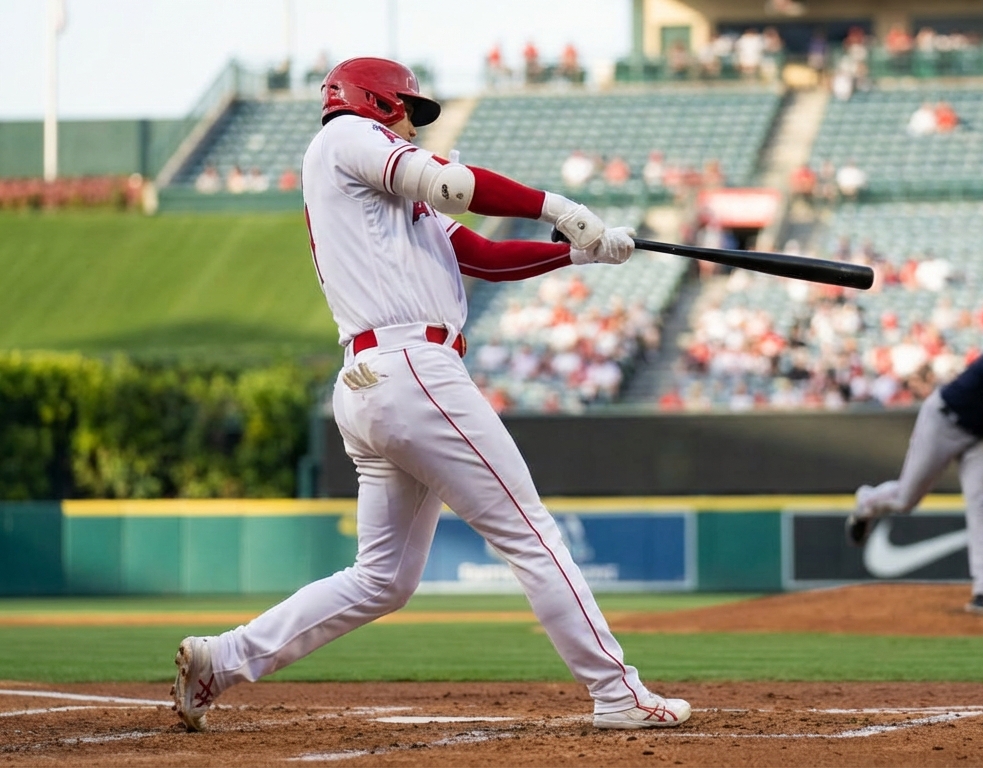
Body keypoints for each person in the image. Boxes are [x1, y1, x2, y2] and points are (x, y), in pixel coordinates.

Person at [170, 57, 689, 733]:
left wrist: (578, 253)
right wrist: (558, 207)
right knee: (530, 531)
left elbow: (479, 255)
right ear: (379, 101)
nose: (414, 122)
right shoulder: (345, 139)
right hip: (411, 366)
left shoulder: (383, 198)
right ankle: (618, 693)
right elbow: (453, 185)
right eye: (409, 107)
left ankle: (223, 660)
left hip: (377, 377)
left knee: (383, 579)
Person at [846, 300, 983, 615]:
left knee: (981, 504)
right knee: (906, 499)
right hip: (944, 422)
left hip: (982, 438)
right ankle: (867, 503)